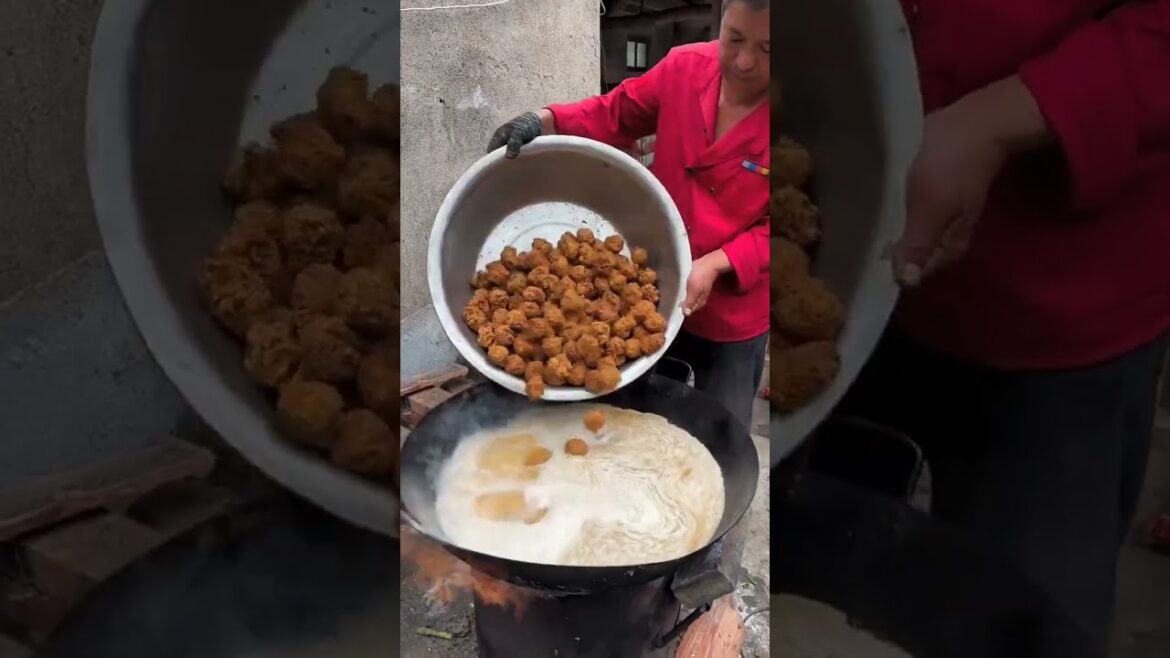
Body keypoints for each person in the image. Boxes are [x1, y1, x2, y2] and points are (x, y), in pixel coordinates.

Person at [836, 0, 1170, 654]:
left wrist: (1004, 118)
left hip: (1063, 313)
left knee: (1027, 621)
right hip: (860, 274)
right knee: (851, 563)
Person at [487, 0, 771, 428]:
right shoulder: (684, 68)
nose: (745, 61)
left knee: (721, 435)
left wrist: (717, 263)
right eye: (734, 39)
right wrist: (544, 121)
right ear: (722, 18)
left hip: (734, 315)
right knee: (633, 424)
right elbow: (616, 113)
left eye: (768, 49)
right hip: (652, 287)